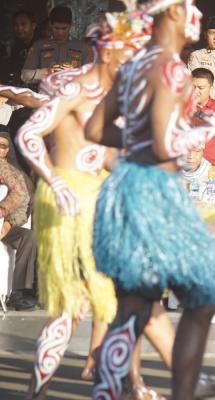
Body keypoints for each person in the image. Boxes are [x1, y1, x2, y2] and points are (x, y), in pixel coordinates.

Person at [84, 1, 215, 398]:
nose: (199, 18)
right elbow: (167, 143)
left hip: (127, 185)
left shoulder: (134, 65)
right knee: (201, 295)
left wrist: (138, 140)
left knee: (135, 304)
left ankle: (110, 392)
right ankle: (184, 391)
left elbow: (97, 128)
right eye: (192, 9)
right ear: (171, 14)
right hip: (155, 192)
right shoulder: (170, 68)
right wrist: (212, 128)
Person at [15, 9, 155, 399]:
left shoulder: (113, 96)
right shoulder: (75, 89)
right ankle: (43, 390)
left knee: (105, 300)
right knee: (74, 304)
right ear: (109, 53)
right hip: (70, 197)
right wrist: (55, 181)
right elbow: (29, 133)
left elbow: (104, 155)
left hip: (97, 195)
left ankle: (110, 381)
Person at [0, 127, 36, 311]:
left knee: (28, 237)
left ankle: (18, 293)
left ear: (7, 150)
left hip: (4, 225)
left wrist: (8, 222)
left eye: (3, 146)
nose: (0, 150)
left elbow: (23, 199)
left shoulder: (13, 173)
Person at [21, 6, 91, 85]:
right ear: (50, 24)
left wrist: (75, 72)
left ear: (71, 24)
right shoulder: (39, 46)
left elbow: (92, 77)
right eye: (56, 28)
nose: (60, 32)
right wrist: (46, 72)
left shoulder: (82, 47)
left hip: (73, 95)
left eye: (64, 28)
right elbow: (24, 75)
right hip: (46, 95)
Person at [5, 10, 38, 87]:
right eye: (16, 25)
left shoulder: (41, 46)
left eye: (23, 24)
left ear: (33, 25)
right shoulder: (16, 46)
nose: (19, 28)